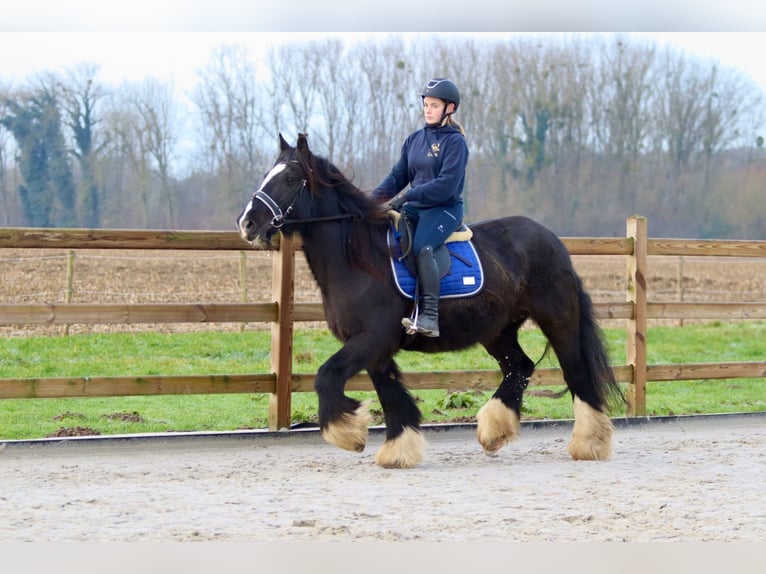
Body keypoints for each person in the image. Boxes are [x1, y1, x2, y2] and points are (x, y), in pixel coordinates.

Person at [372, 77, 469, 337]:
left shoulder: (455, 143)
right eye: (426, 104)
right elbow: (397, 177)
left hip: (444, 208)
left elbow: (446, 186)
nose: (428, 109)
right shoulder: (414, 140)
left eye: (434, 105)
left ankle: (430, 317)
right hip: (416, 208)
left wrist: (408, 196)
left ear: (450, 108)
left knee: (422, 247)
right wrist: (370, 201)